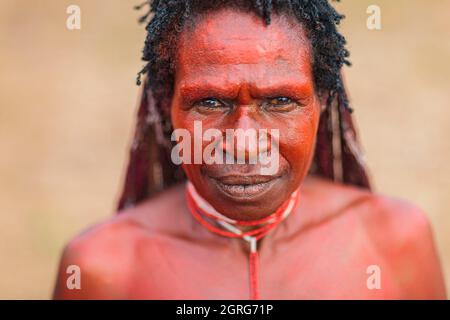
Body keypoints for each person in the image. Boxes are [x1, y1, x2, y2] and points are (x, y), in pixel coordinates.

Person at [53, 0, 446, 299]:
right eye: (209, 102)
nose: (243, 144)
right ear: (166, 104)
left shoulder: (394, 242)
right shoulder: (102, 270)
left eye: (279, 101)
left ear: (322, 102)